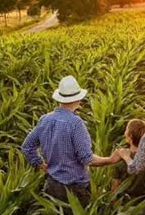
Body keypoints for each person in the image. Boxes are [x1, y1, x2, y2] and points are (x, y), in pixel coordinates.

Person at [21, 75, 120, 206]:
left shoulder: (45, 119)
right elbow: (87, 159)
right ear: (78, 99)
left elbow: (27, 147)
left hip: (51, 185)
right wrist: (110, 160)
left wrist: (41, 165)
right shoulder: (76, 124)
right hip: (75, 190)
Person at [111, 119, 145, 197]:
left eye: (126, 130)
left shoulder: (120, 160)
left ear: (130, 136)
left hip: (124, 205)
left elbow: (114, 190)